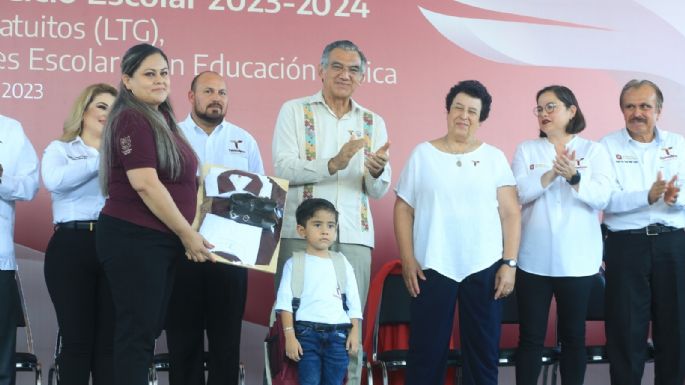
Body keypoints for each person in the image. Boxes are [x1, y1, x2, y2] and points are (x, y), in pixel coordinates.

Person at [272, 39, 391, 384]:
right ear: (321, 71)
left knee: (350, 330)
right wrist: (333, 163)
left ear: (362, 77)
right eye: (337, 66)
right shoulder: (295, 110)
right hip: (301, 236)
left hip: (354, 235)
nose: (345, 74)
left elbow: (379, 191)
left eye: (353, 69)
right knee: (295, 328)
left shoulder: (372, 121)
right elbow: (282, 168)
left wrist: (378, 171)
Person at [96, 43, 215, 385]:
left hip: (157, 241)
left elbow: (182, 181)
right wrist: (186, 234)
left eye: (164, 73)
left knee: (144, 331)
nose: (160, 80)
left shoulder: (161, 117)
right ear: (127, 81)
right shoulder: (132, 117)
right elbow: (145, 184)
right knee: (136, 334)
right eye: (149, 74)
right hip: (133, 238)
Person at [394, 80, 520, 385]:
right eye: (458, 108)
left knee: (483, 355)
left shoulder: (494, 158)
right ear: (448, 111)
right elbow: (403, 209)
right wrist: (408, 259)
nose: (464, 116)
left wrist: (509, 264)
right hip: (433, 266)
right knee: (426, 354)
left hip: (485, 267)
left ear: (481, 117)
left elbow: (510, 212)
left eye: (472, 111)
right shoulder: (422, 155)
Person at [166, 70, 264, 385]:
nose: (216, 98)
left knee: (226, 342)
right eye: (208, 91)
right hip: (181, 249)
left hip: (230, 255)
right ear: (191, 96)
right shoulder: (171, 135)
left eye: (222, 93)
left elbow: (262, 196)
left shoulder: (244, 139)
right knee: (184, 340)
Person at [511, 85, 613, 385]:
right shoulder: (526, 149)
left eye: (551, 107)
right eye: (539, 108)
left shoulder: (594, 150)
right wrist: (552, 174)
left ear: (572, 110)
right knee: (530, 337)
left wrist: (574, 177)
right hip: (533, 260)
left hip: (578, 261)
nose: (543, 113)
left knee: (572, 337)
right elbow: (519, 193)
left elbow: (602, 198)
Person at [601, 79, 685, 385]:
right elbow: (605, 198)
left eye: (645, 106)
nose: (637, 113)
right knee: (625, 332)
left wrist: (676, 200)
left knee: (676, 331)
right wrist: (646, 197)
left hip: (674, 245)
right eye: (630, 106)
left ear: (659, 111)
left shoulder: (679, 144)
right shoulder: (606, 146)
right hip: (626, 247)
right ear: (622, 110)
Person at [42, 83, 118, 385]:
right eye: (101, 106)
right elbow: (55, 180)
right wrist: (101, 158)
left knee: (109, 346)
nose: (107, 113)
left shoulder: (126, 156)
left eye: (114, 109)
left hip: (113, 245)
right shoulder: (60, 149)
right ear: (83, 110)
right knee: (76, 342)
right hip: (71, 246)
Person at [275, 198, 363, 385]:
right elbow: (284, 304)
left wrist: (355, 333)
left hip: (339, 336)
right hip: (306, 335)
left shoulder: (342, 262)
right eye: (317, 224)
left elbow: (353, 303)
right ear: (301, 230)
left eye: (331, 226)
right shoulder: (294, 263)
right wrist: (290, 336)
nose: (325, 231)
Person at [0, 114, 39, 385]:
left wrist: (2, 179)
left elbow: (29, 187)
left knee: (2, 363)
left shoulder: (10, 129)